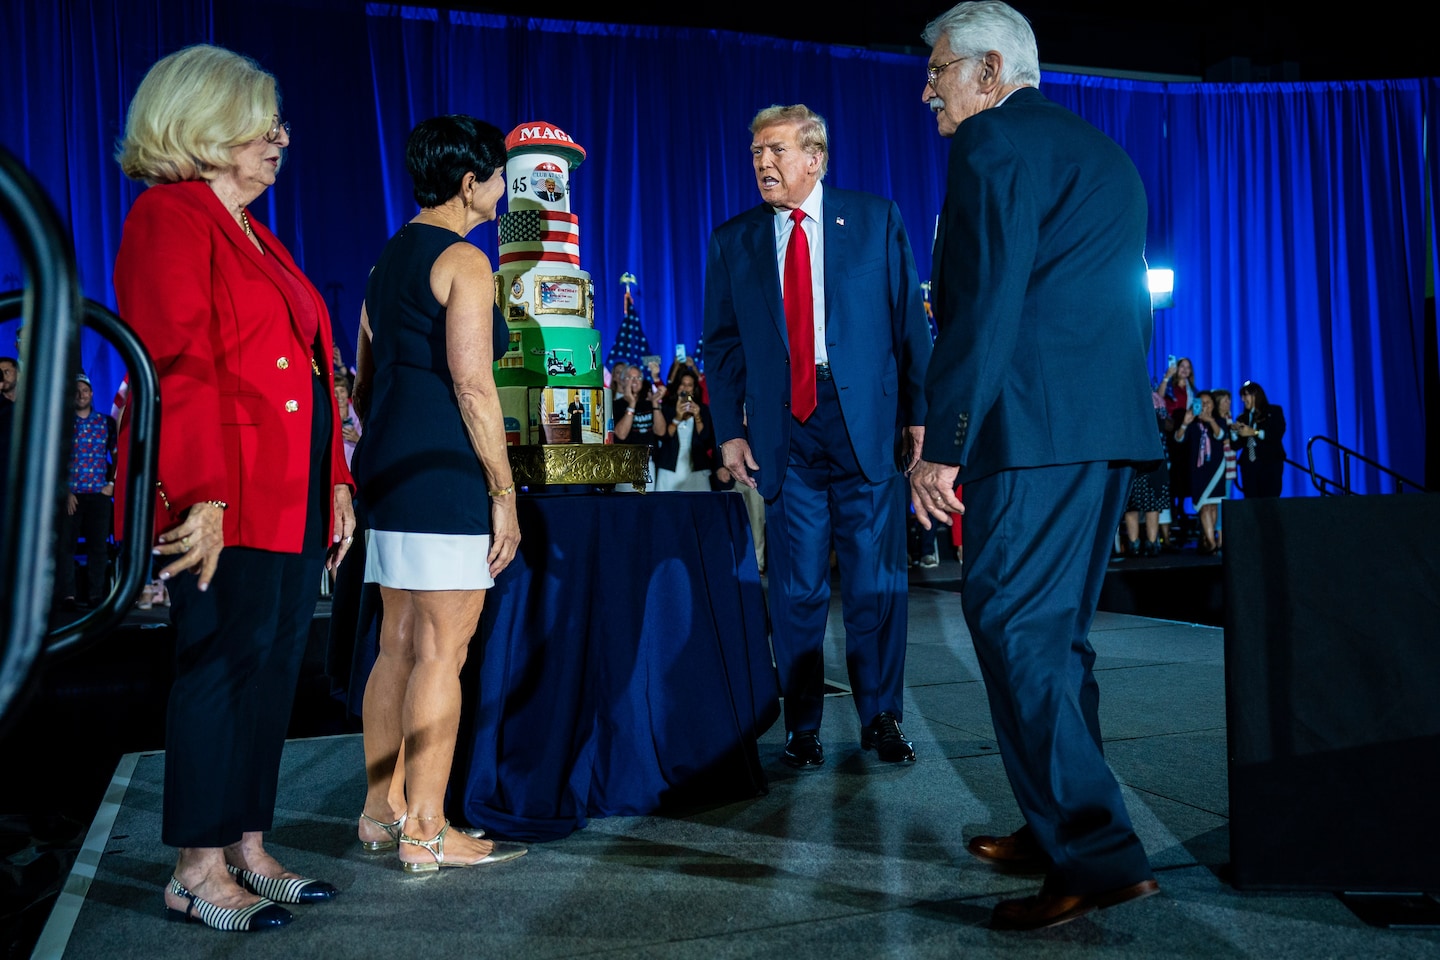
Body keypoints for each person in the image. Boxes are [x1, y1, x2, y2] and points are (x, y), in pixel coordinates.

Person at [909, 2, 1160, 930]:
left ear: (988, 70)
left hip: (1033, 431)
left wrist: (944, 445)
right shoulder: (1100, 152)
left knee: (1014, 624)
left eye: (939, 69)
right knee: (1053, 635)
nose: (927, 86)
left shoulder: (992, 145)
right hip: (1097, 432)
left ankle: (1092, 856)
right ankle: (1053, 821)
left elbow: (985, 303)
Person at [112, 44, 356, 932]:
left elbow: (314, 372)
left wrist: (334, 480)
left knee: (270, 671)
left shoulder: (257, 231)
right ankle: (193, 869)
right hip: (224, 495)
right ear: (204, 125)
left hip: (289, 495)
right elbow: (176, 364)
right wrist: (201, 496)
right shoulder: (168, 218)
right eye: (264, 122)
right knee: (216, 669)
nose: (281, 139)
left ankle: (249, 848)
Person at [704, 103, 932, 768]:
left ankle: (882, 716)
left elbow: (907, 327)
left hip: (864, 423)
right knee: (796, 587)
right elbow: (720, 348)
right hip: (784, 430)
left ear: (816, 157)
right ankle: (801, 728)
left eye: (775, 150)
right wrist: (727, 432)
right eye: (755, 153)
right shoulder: (733, 240)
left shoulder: (875, 219)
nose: (763, 163)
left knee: (874, 583)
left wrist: (919, 414)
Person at [350, 114, 526, 873]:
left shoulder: (385, 262)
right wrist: (504, 492)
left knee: (395, 645)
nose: (504, 191)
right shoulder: (465, 261)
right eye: (499, 179)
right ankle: (426, 831)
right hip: (444, 475)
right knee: (441, 653)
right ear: (469, 184)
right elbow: (474, 385)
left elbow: (361, 381)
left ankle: (378, 812)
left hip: (389, 475)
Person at [57, 373, 117, 609]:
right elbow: (56, 459)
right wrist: (65, 490)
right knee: (66, 547)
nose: (81, 395)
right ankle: (68, 595)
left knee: (98, 547)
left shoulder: (105, 422)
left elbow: (117, 454)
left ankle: (95, 595)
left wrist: (111, 483)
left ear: (92, 394)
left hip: (98, 494)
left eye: (85, 390)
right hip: (71, 495)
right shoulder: (63, 424)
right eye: (76, 391)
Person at [1176, 390, 1227, 553]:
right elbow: (1178, 439)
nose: (1205, 406)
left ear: (1213, 405)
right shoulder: (1192, 425)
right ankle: (1212, 542)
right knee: (1204, 507)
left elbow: (1220, 435)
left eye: (1208, 403)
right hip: (1198, 471)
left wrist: (1210, 420)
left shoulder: (1219, 421)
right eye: (1202, 403)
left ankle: (1208, 539)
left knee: (1212, 507)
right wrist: (1184, 423)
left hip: (1216, 470)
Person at [654, 366, 714, 491]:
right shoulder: (667, 408)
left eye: (689, 385)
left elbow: (705, 438)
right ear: (677, 386)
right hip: (670, 468)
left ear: (694, 389)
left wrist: (697, 416)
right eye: (682, 384)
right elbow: (664, 436)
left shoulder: (702, 409)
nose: (685, 388)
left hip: (697, 468)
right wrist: (677, 418)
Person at [1234, 379, 1286, 497]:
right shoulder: (1242, 418)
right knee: (1252, 503)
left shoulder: (1274, 411)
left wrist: (1254, 432)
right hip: (1249, 467)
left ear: (1256, 395)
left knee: (1270, 502)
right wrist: (1233, 432)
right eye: (1242, 396)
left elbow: (1277, 434)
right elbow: (1236, 445)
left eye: (1245, 395)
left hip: (1270, 464)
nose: (1243, 399)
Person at [334, 378, 361, 469]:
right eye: (335, 392)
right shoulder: (327, 416)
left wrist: (357, 439)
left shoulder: (359, 414)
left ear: (347, 392)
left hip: (356, 466)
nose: (339, 396)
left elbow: (373, 445)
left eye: (342, 391)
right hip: (336, 468)